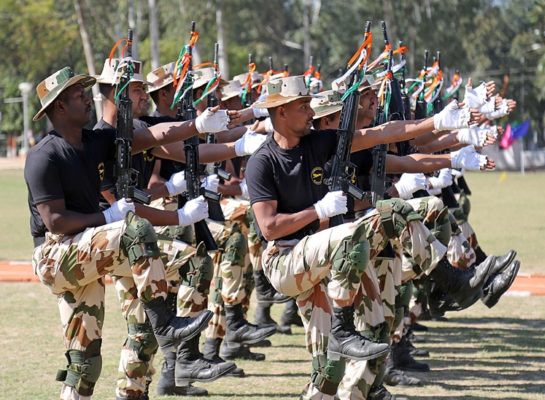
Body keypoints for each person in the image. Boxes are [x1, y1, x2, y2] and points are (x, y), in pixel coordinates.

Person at [246, 75, 497, 398]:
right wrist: (318, 211)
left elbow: (381, 133)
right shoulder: (262, 162)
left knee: (375, 333)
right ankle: (342, 328)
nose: (311, 112)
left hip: (334, 256)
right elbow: (269, 227)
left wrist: (438, 121)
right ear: (280, 112)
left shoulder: (317, 143)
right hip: (288, 260)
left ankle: (451, 280)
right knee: (329, 362)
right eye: (303, 106)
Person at [25, 66, 234, 399]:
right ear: (59, 107)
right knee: (134, 230)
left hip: (91, 247)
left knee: (85, 363)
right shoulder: (44, 156)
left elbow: (153, 135)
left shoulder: (95, 142)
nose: (86, 99)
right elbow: (55, 222)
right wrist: (108, 214)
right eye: (77, 95)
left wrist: (196, 125)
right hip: (57, 255)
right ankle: (166, 323)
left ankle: (148, 358)